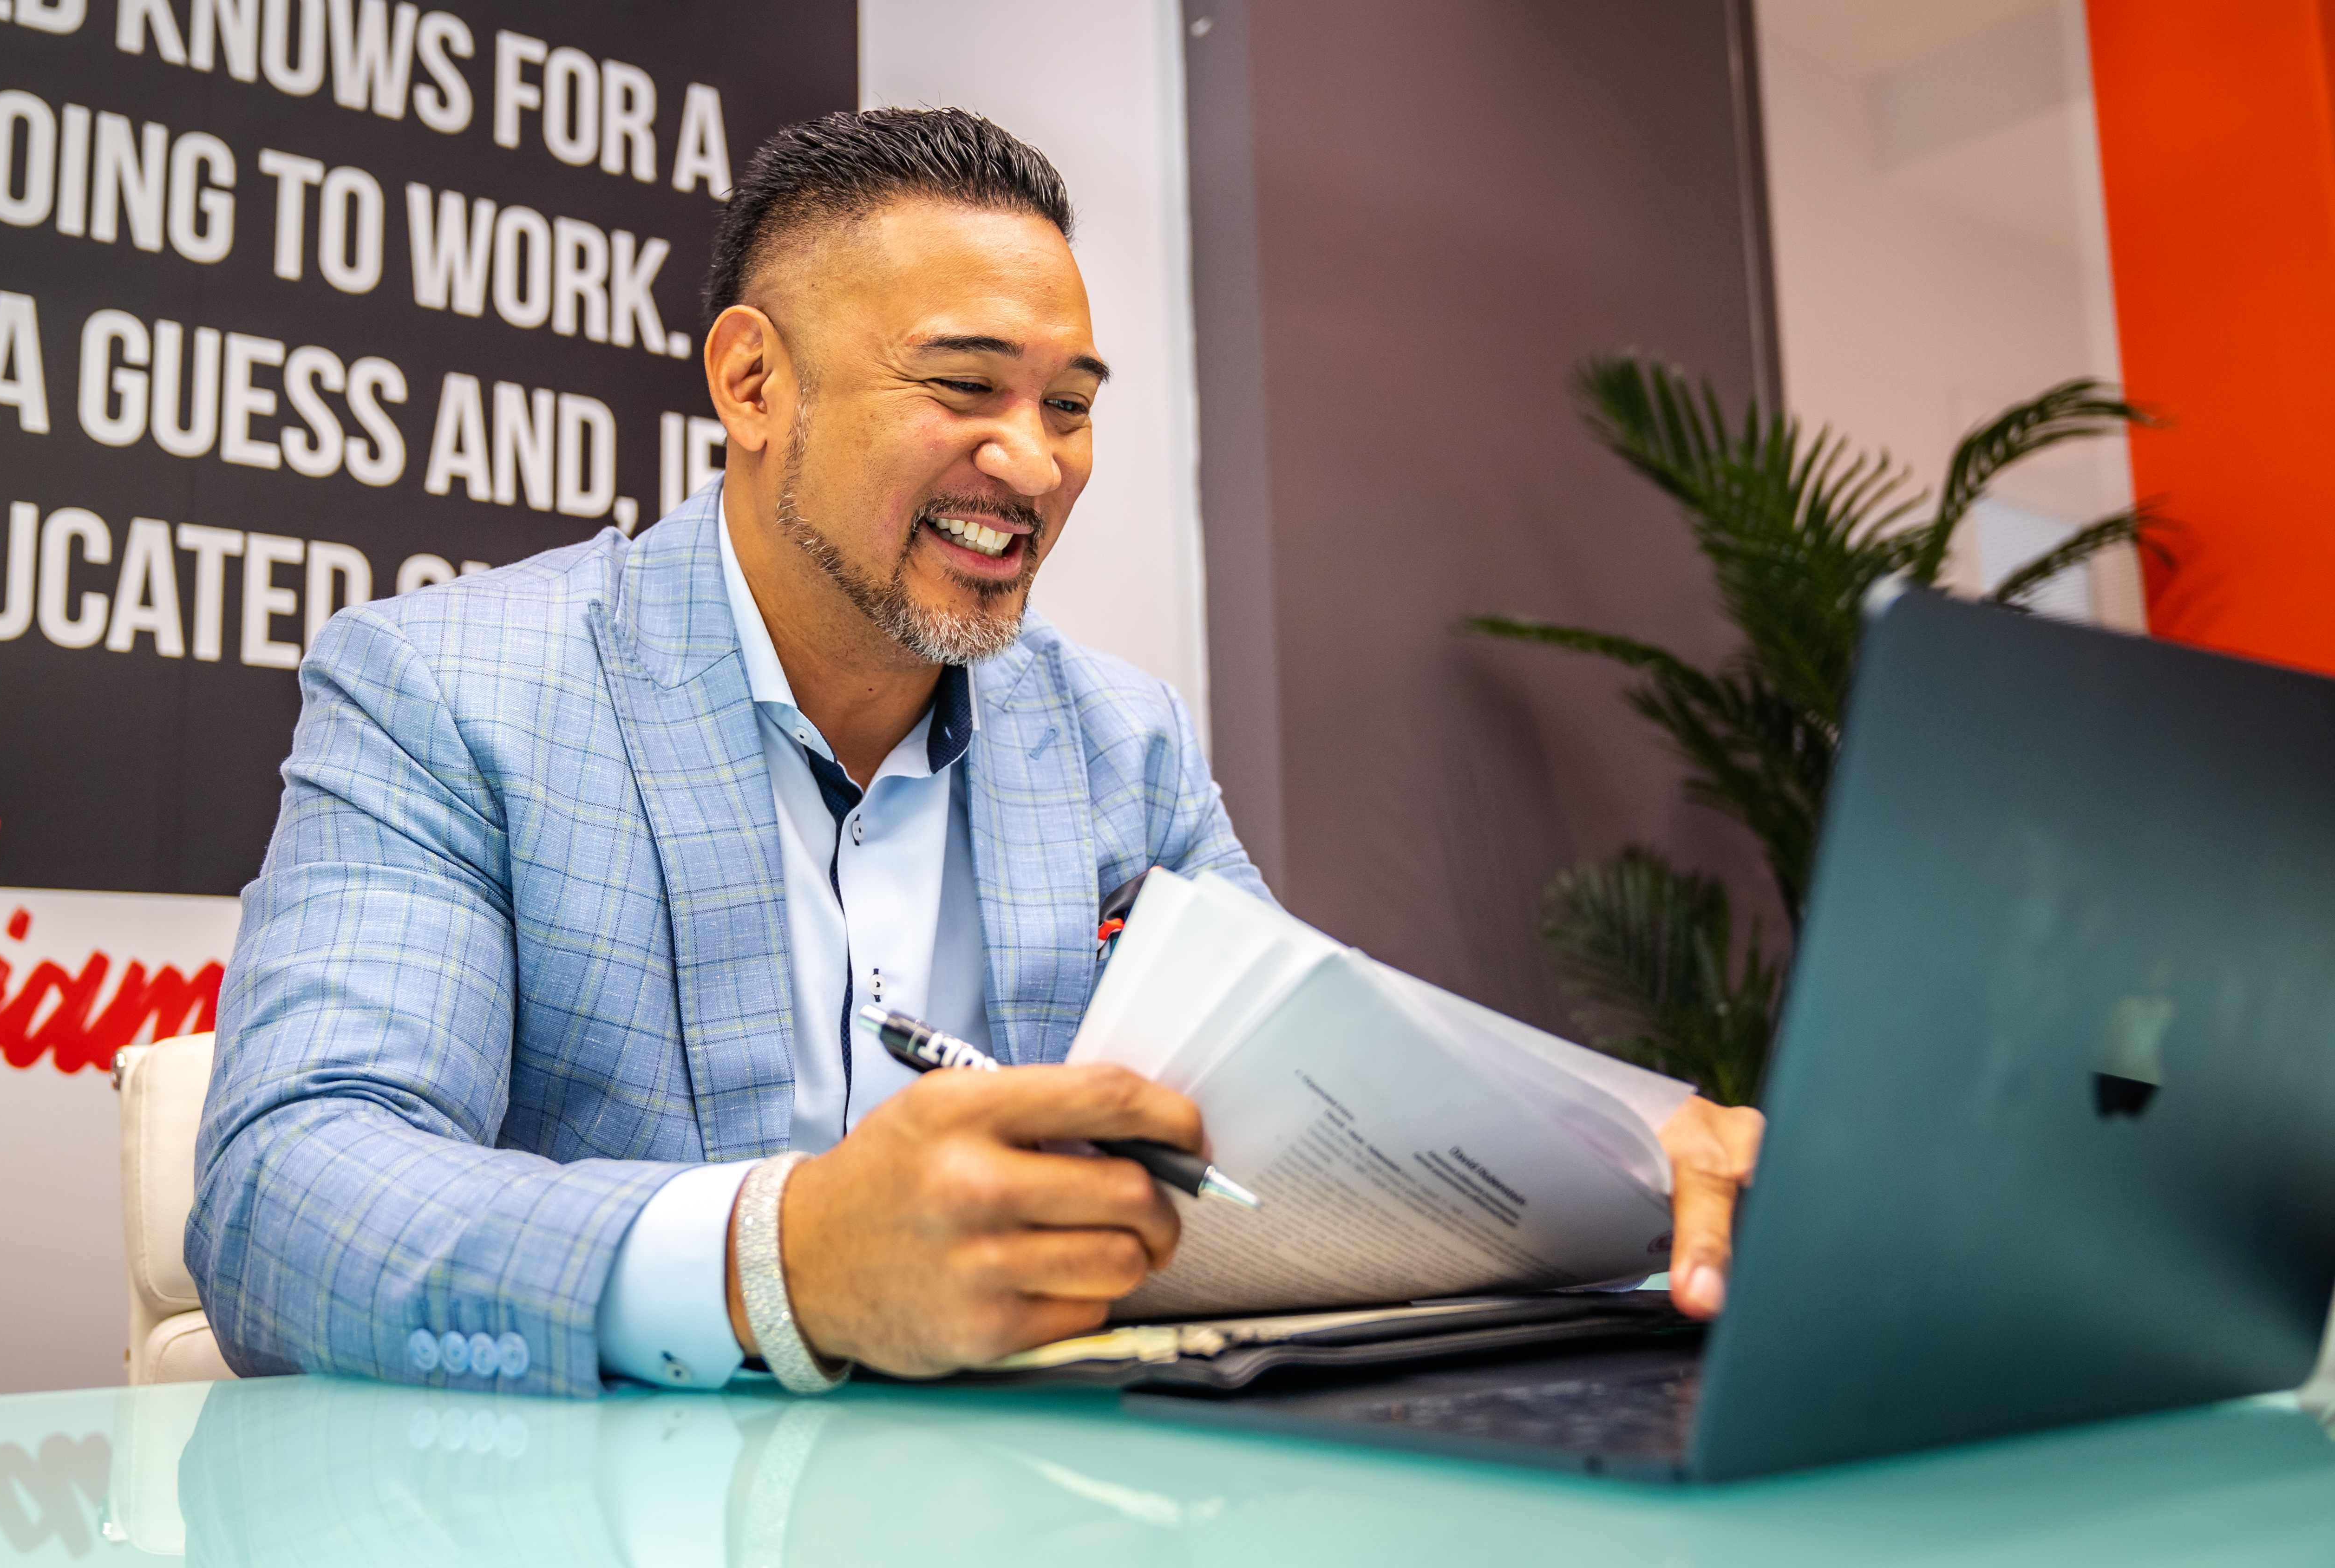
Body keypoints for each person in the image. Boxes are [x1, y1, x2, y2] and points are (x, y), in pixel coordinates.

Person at [189, 108, 1764, 1397]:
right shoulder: (444, 686)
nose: (1033, 463)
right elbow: (286, 1197)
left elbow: (1319, 1096)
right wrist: (783, 1260)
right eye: (965, 388)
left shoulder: (1122, 740)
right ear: (753, 383)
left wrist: (1632, 1156)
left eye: (1070, 405)